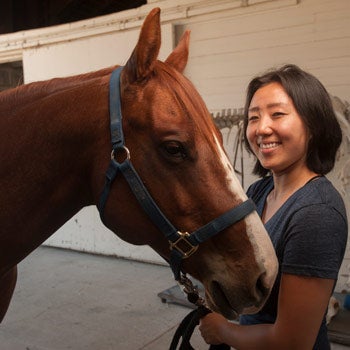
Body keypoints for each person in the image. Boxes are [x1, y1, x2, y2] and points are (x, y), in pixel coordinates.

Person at [199, 64, 348, 349]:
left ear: (313, 125)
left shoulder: (316, 213)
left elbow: (293, 341)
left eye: (277, 114)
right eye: (254, 118)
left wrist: (224, 332)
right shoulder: (259, 191)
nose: (261, 128)